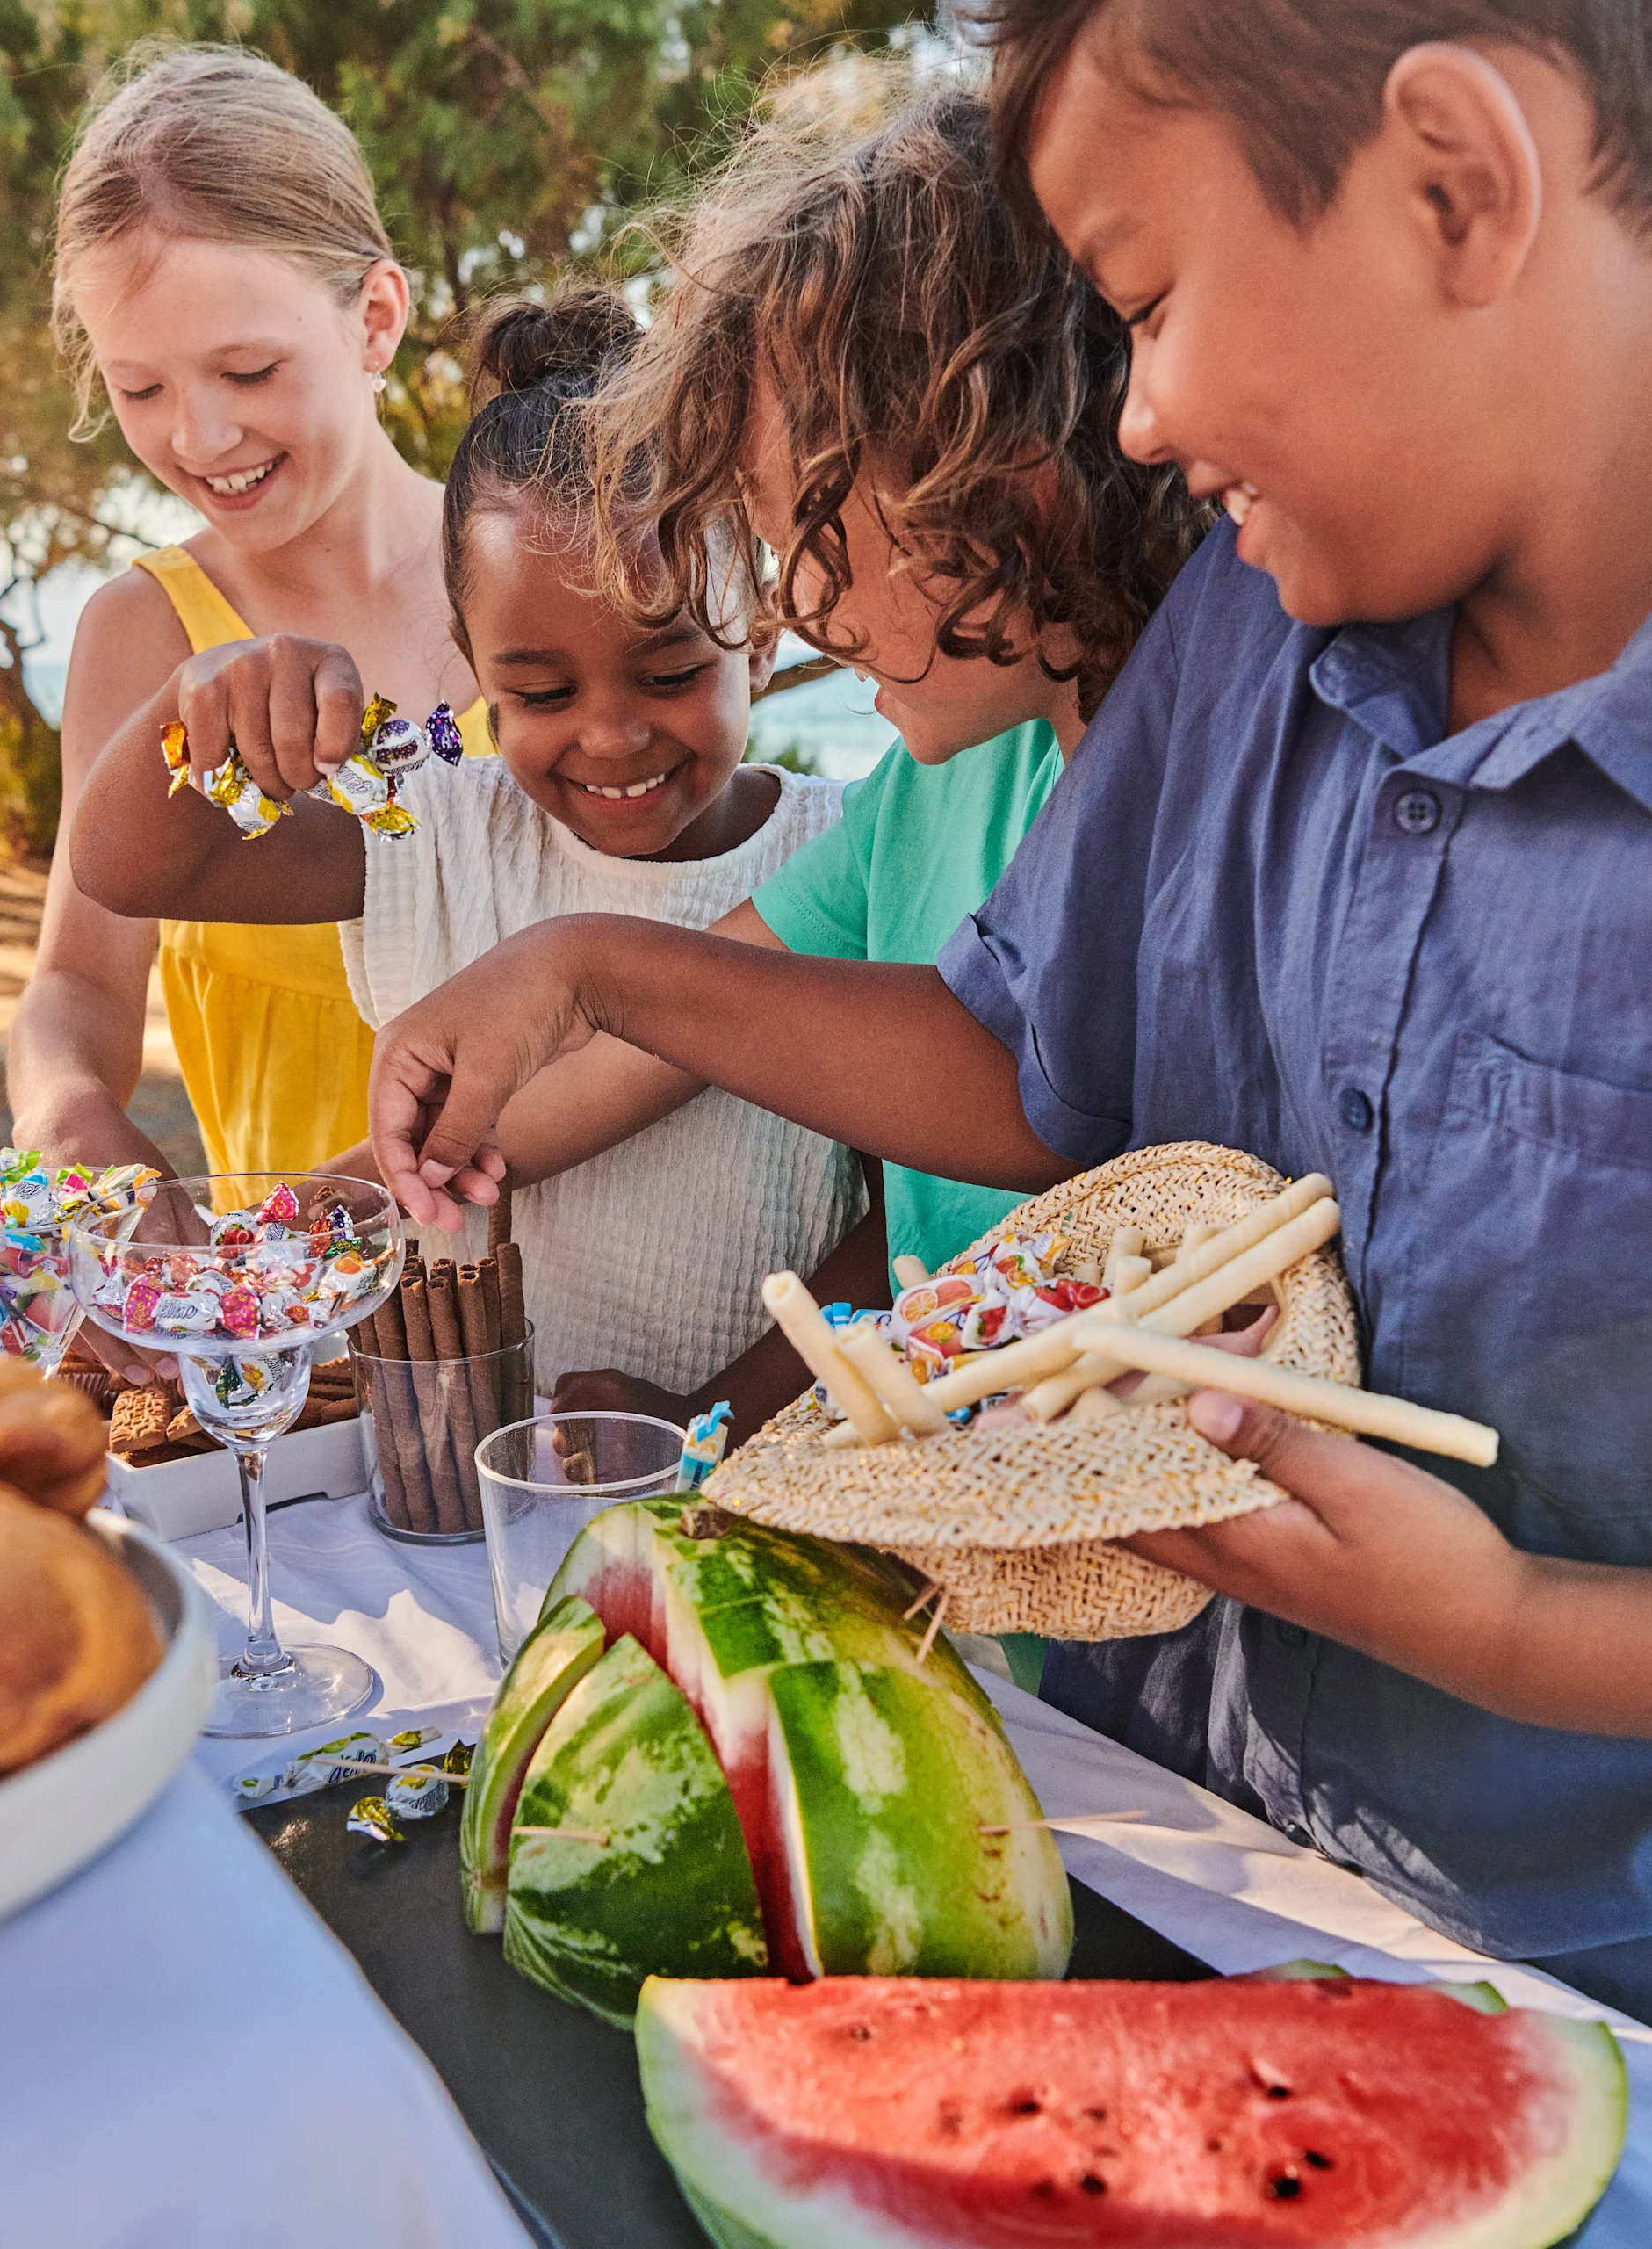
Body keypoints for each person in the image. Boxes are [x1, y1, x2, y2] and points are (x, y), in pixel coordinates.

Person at [358, 0, 1652, 2168]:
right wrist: (595, 967)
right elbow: (1028, 1051)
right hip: (1156, 1874)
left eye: (1149, 303)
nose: (1141, 412)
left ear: (1455, 176)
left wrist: (1531, 1633)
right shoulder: (1247, 651)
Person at [435, 74, 1207, 1441]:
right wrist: (318, 1205)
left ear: (980, 466)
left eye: (805, 539)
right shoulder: (927, 788)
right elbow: (635, 1053)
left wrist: (580, 963)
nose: (788, 610)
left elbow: (1044, 1094)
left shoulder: (1194, 777)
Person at [66, 292, 864, 1417]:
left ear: (765, 636)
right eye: (539, 691)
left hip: (747, 1483)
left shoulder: (846, 853)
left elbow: (899, 1229)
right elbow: (133, 868)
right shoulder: (435, 828)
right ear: (471, 663)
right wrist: (201, 705)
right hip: (436, 1498)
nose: (613, 736)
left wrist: (715, 1422)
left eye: (673, 673)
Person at [9, 43, 481, 1188]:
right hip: (304, 1333)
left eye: (250, 370)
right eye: (142, 388)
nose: (200, 439)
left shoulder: (543, 572)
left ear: (375, 318)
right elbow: (78, 988)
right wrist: (69, 1117)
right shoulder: (144, 632)